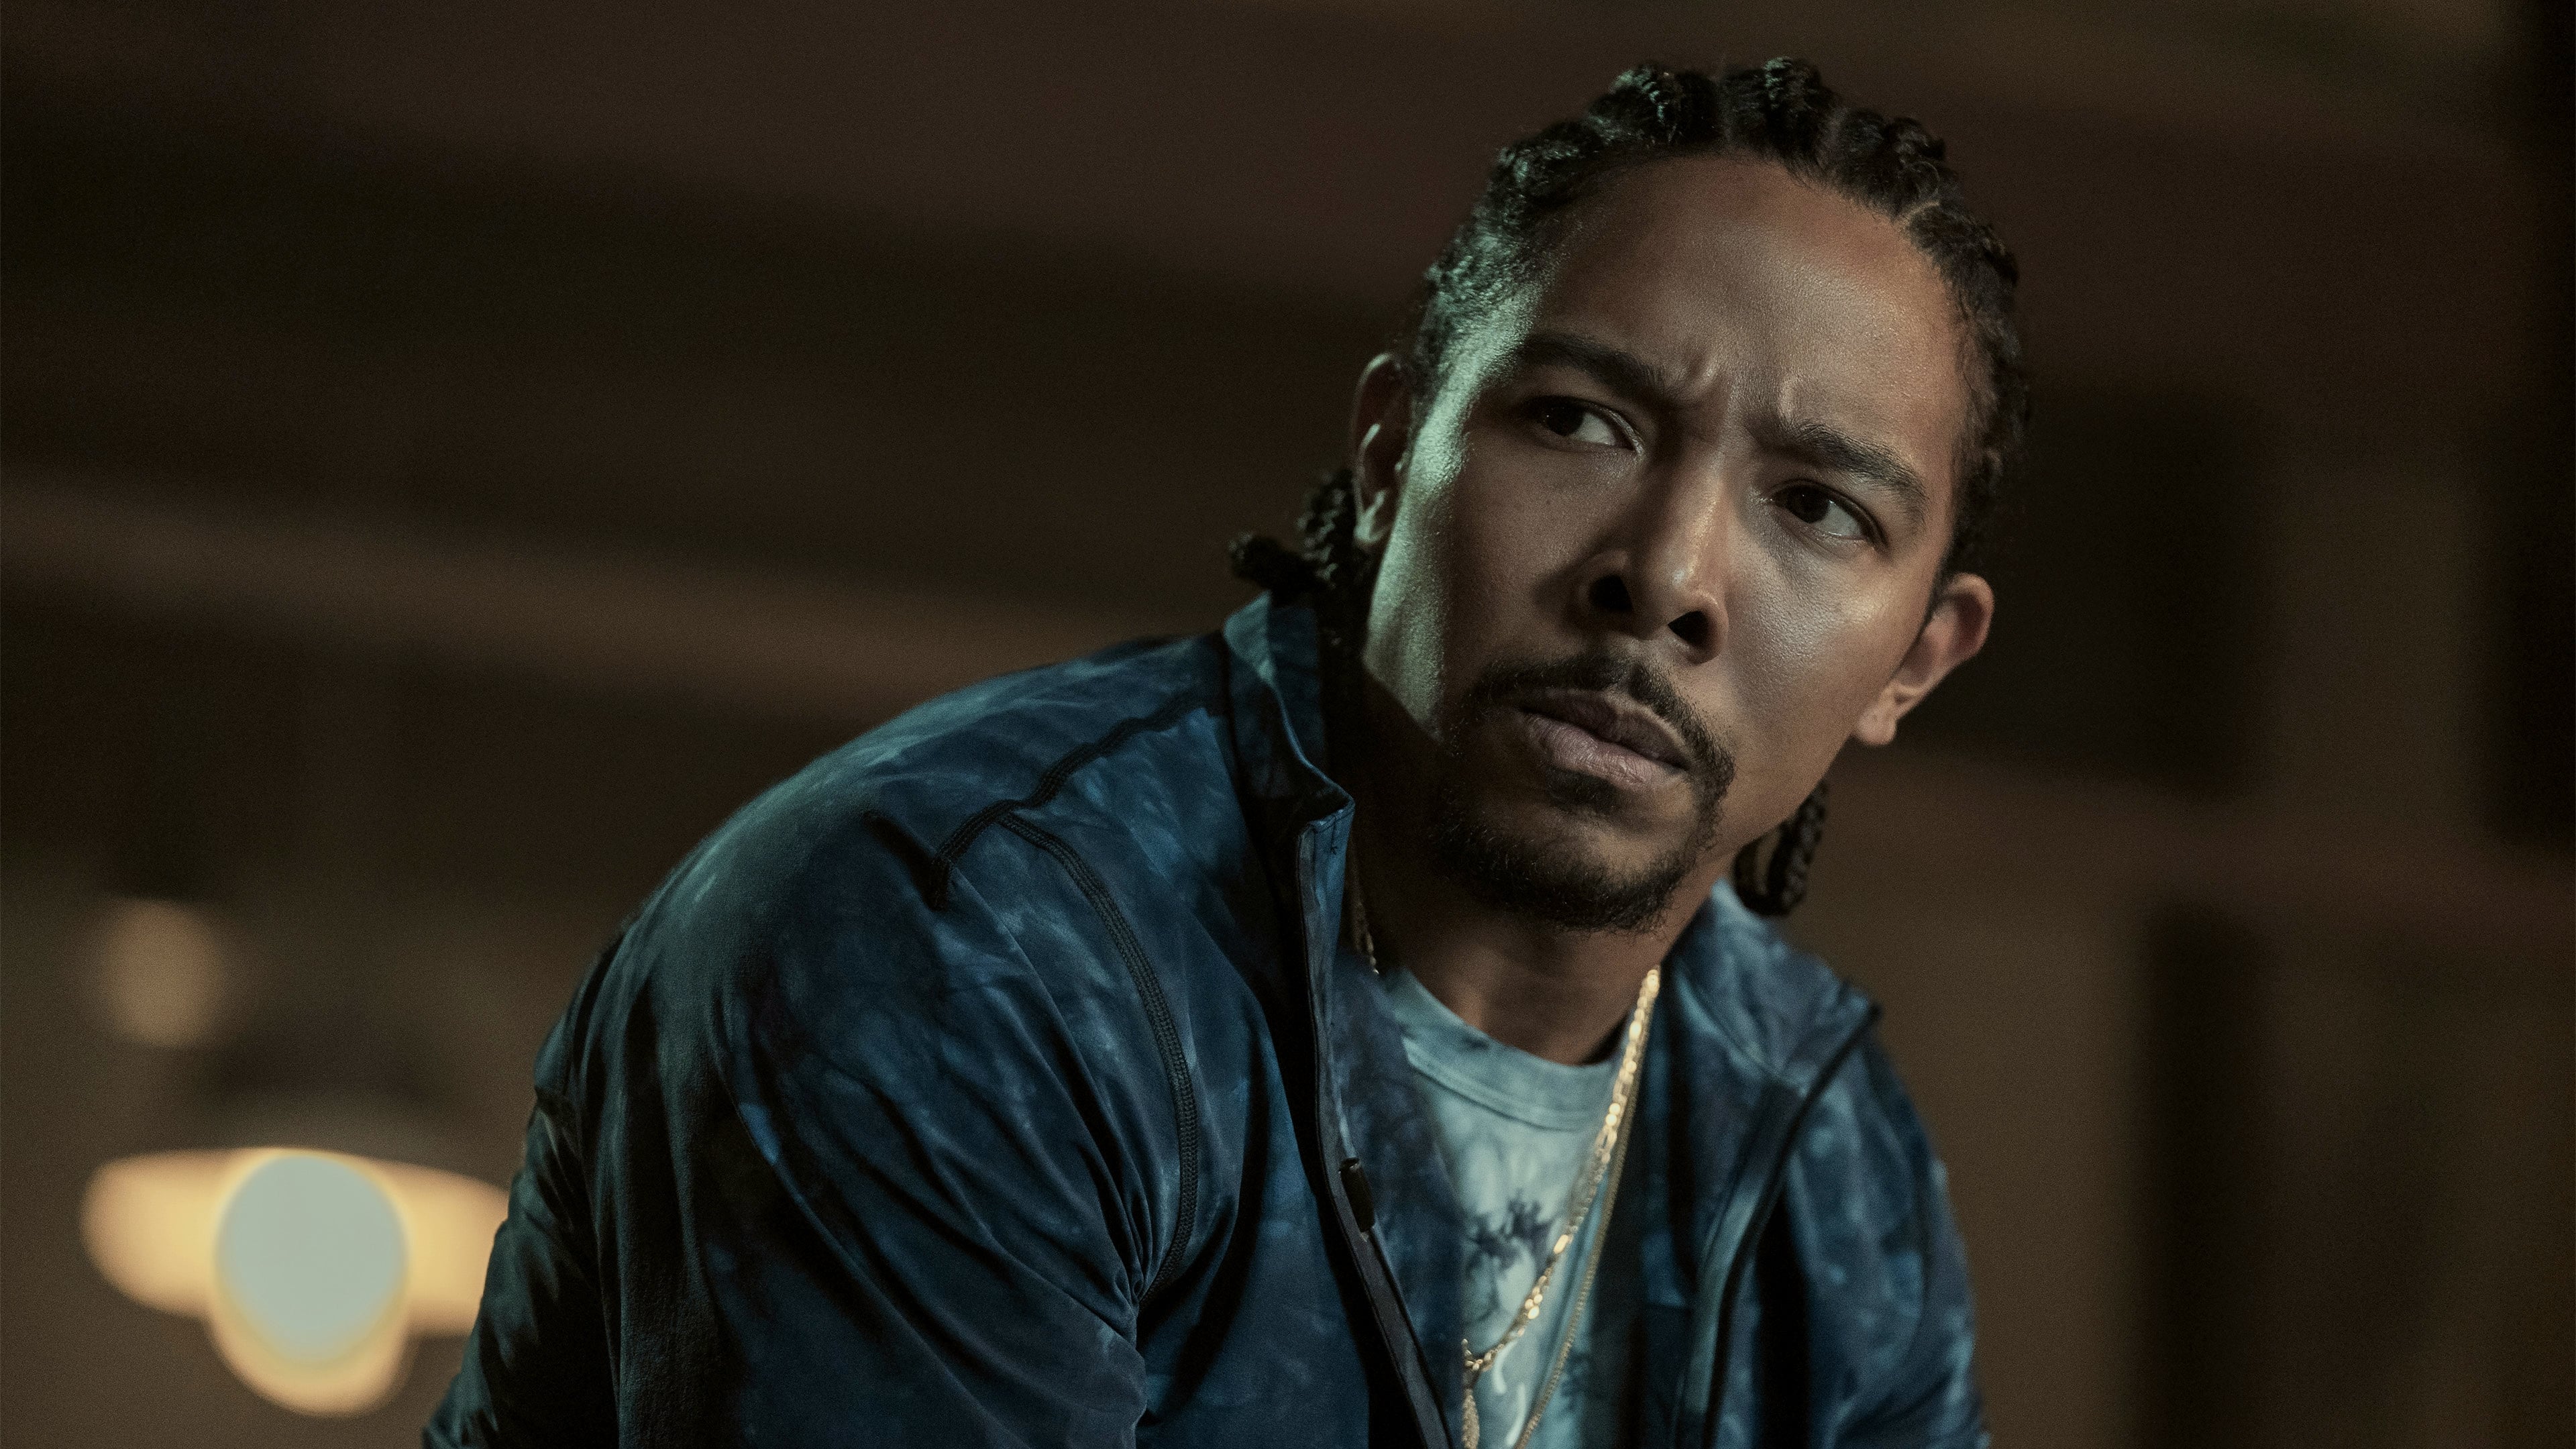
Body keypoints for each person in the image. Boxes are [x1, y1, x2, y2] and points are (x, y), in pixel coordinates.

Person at [429, 56, 2023, 1449]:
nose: (1668, 574)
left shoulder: (1823, 1157)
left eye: (1819, 508)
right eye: (1578, 422)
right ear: (1391, 453)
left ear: (1915, 660)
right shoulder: (967, 954)